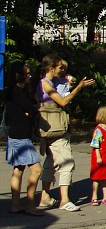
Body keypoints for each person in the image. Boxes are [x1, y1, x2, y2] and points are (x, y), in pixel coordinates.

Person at [37, 54, 95, 211]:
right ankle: (64, 200)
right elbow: (62, 101)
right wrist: (79, 88)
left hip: (52, 128)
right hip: (55, 129)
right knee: (67, 162)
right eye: (60, 67)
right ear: (51, 68)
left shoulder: (51, 82)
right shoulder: (46, 84)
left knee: (51, 162)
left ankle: (45, 197)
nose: (63, 70)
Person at [5, 62, 44, 216]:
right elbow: (31, 108)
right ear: (19, 76)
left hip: (15, 134)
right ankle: (30, 204)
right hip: (21, 137)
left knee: (18, 169)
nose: (28, 76)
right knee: (36, 169)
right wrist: (31, 111)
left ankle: (16, 204)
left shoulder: (11, 92)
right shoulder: (17, 92)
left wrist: (28, 112)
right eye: (26, 74)